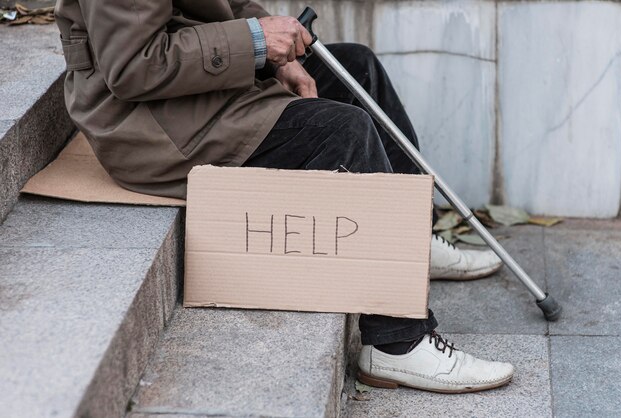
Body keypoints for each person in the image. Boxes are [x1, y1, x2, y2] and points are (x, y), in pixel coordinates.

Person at [55, 0, 514, 393]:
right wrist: (254, 40)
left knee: (356, 66)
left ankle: (408, 242)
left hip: (198, 87)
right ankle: (396, 341)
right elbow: (133, 66)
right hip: (150, 123)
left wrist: (279, 57)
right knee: (342, 130)